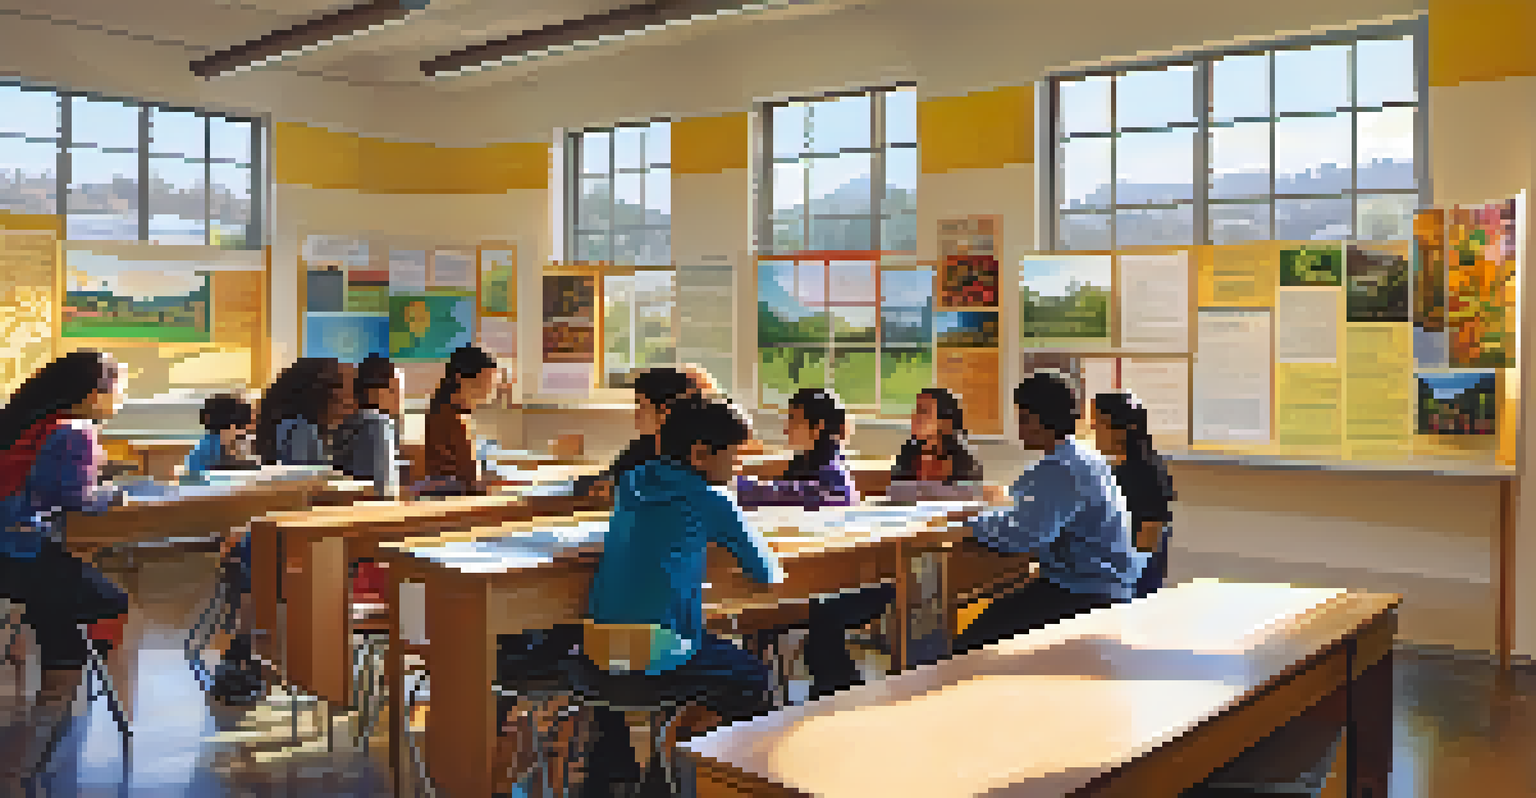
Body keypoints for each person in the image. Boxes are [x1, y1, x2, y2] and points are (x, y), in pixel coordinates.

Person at [495, 399, 782, 793]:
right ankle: (684, 782)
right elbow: (765, 573)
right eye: (734, 456)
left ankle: (652, 775)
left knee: (712, 667)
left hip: (598, 655)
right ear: (700, 454)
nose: (738, 467)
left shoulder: (631, 483)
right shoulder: (711, 499)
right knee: (755, 680)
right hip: (658, 657)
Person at [0, 350, 130, 792]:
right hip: (31, 555)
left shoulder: (26, 425)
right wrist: (114, 495)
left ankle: (37, 749)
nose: (119, 398)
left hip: (11, 558)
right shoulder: (75, 431)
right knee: (107, 601)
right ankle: (36, 753)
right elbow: (73, 499)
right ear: (92, 394)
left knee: (64, 620)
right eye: (117, 389)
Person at [950, 373, 1145, 656]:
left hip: (1086, 591)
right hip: (1096, 583)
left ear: (1038, 420)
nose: (1019, 428)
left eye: (1022, 418)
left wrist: (969, 523)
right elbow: (1026, 510)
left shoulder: (1061, 469)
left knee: (970, 642)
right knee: (997, 612)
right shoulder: (1081, 457)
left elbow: (1026, 535)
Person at [573, 366, 713, 501]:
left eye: (642, 405)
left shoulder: (694, 458)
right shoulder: (641, 447)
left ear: (665, 411)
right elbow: (609, 479)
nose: (636, 414)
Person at [1091, 391, 1176, 599]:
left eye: (1098, 423)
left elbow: (1147, 544)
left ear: (1119, 429)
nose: (1094, 430)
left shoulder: (1147, 473)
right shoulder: (1111, 469)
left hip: (1131, 584)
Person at [734, 387, 856, 508]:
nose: (786, 429)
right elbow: (774, 470)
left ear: (817, 427)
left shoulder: (828, 484)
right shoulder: (815, 461)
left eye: (793, 419)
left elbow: (760, 494)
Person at [421, 345, 500, 496]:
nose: (489, 392)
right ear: (460, 379)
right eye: (483, 385)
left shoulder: (444, 409)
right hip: (453, 497)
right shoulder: (454, 418)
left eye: (492, 386)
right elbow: (472, 480)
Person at [889, 388, 984, 501]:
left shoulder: (964, 463)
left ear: (945, 422)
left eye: (923, 411)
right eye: (916, 411)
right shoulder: (908, 454)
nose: (915, 417)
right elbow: (895, 494)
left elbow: (971, 501)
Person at [253, 357, 351, 466]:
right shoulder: (300, 430)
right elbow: (305, 473)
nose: (346, 397)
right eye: (339, 385)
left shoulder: (290, 425)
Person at [333, 354, 403, 498]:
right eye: (394, 390)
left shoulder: (346, 424)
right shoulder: (380, 424)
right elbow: (386, 488)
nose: (399, 399)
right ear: (375, 392)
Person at [182, 393, 257, 479]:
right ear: (232, 426)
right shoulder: (213, 450)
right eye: (240, 428)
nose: (243, 433)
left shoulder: (205, 446)